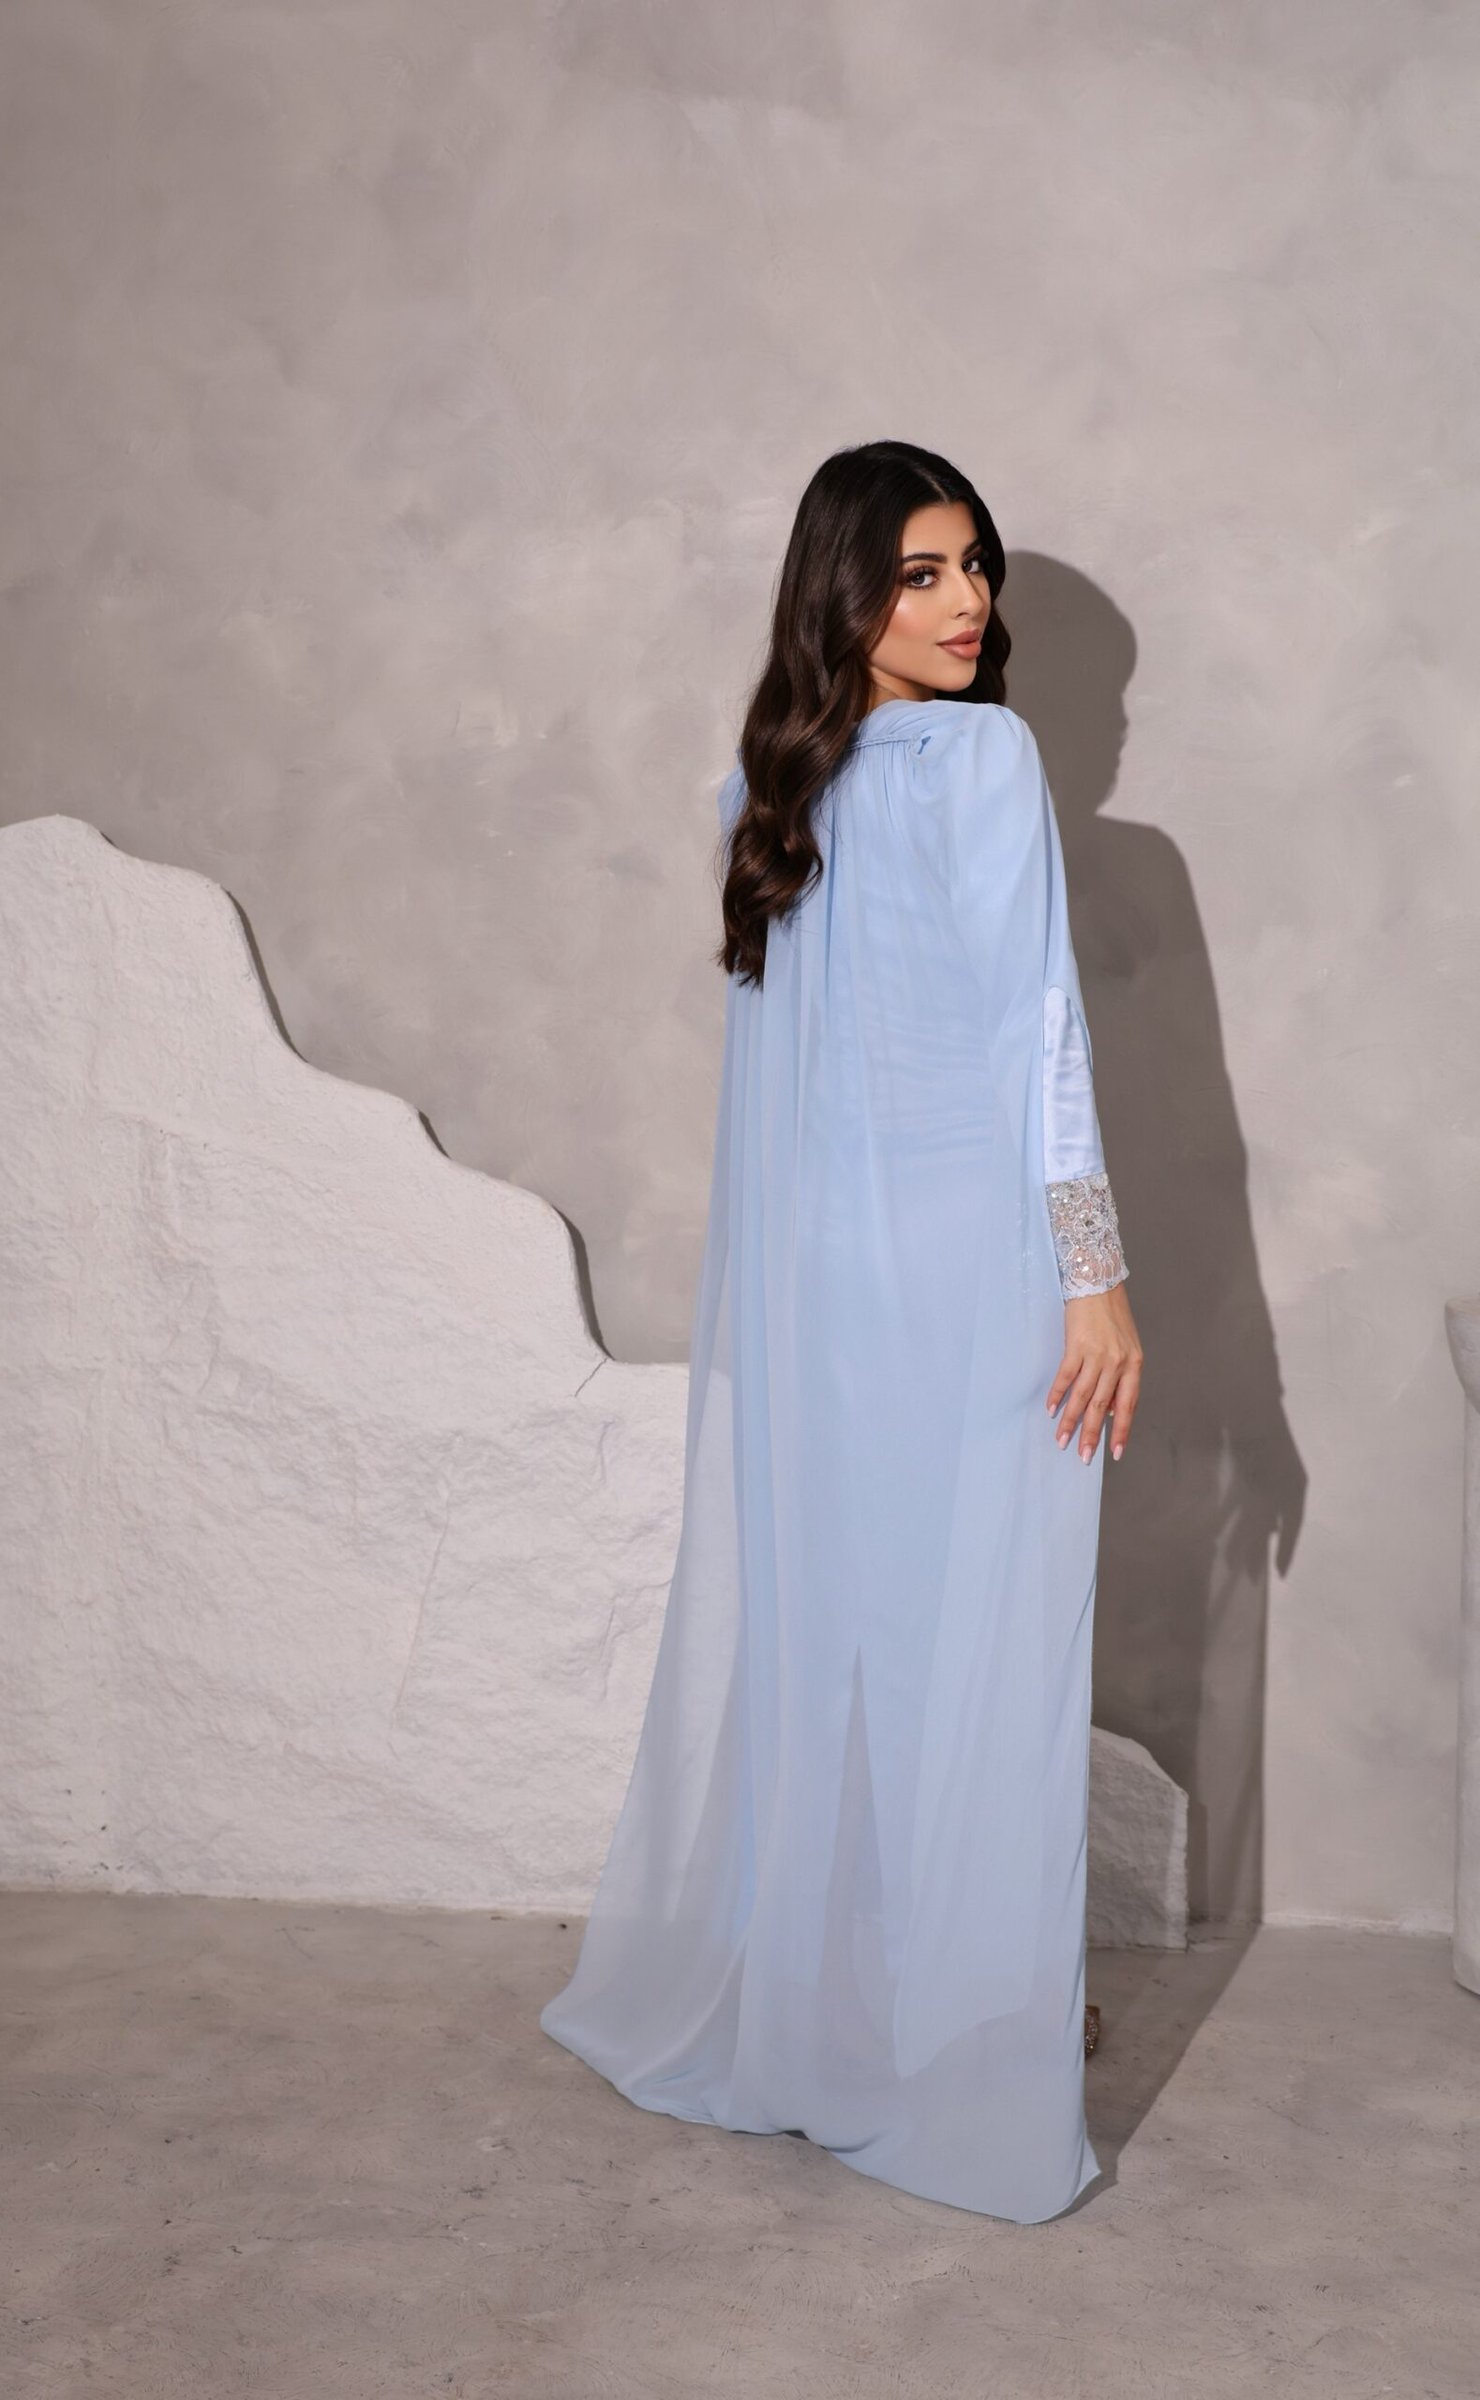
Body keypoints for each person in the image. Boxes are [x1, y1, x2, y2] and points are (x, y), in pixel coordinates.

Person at [540, 439, 1144, 2223]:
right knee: (981, 1636)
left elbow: (790, 1082)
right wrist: (1094, 1275)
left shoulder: (767, 781)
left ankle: (857, 2018)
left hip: (822, 1288)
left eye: (976, 568)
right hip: (975, 1278)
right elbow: (1037, 1031)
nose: (967, 604)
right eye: (921, 573)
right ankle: (974, 2033)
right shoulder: (985, 759)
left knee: (851, 1632)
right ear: (844, 591)